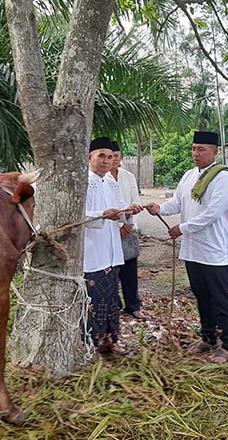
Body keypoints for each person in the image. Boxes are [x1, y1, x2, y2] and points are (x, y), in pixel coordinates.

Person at [145, 131, 228, 364]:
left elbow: (212, 213)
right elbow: (177, 202)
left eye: (201, 149)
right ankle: (208, 337)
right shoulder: (188, 176)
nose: (196, 153)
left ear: (215, 152)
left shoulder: (222, 178)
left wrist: (182, 228)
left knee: (221, 298)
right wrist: (160, 208)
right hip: (193, 250)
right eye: (194, 148)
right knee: (201, 296)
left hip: (214, 250)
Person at [84, 137, 143, 356]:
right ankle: (93, 345)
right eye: (101, 156)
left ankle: (112, 340)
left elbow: (119, 211)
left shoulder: (110, 182)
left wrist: (128, 212)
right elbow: (76, 217)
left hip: (112, 252)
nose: (106, 161)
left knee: (111, 301)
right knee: (94, 302)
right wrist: (102, 215)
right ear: (90, 157)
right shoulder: (83, 182)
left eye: (110, 157)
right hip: (92, 254)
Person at [108, 141, 144, 320]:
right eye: (109, 156)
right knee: (112, 270)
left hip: (129, 228)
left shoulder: (128, 176)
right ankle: (115, 305)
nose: (113, 159)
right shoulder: (100, 179)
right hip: (109, 230)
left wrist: (127, 224)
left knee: (130, 270)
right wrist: (119, 225)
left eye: (116, 156)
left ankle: (133, 305)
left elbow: (134, 202)